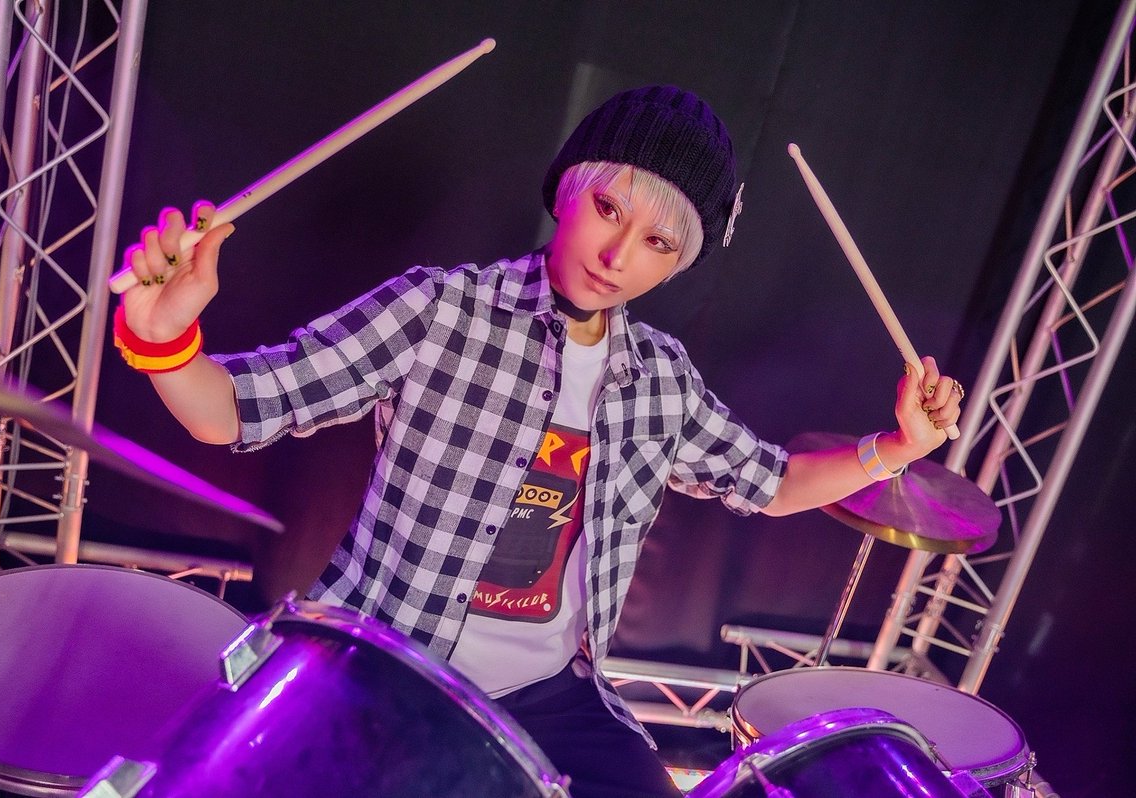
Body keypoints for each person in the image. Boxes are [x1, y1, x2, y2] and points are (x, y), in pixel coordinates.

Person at [113, 85, 963, 797]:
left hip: (552, 693)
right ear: (565, 193)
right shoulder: (441, 311)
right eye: (608, 209)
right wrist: (163, 340)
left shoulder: (661, 378)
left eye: (657, 242)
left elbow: (771, 484)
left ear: (677, 264)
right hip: (389, 666)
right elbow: (233, 410)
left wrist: (895, 447)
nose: (618, 254)